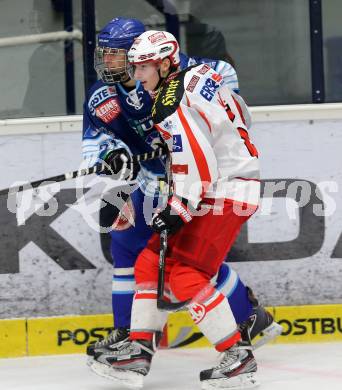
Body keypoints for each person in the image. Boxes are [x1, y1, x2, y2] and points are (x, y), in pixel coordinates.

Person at [82, 17, 281, 373]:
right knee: (147, 261)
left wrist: (178, 207)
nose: (136, 74)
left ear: (159, 63)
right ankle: (139, 347)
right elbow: (233, 119)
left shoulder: (170, 99)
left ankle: (238, 348)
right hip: (200, 185)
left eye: (139, 65)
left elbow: (196, 159)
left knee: (187, 272)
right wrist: (113, 158)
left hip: (216, 189)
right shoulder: (197, 76)